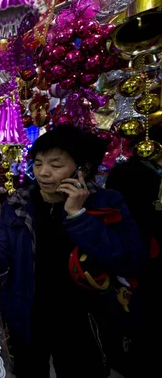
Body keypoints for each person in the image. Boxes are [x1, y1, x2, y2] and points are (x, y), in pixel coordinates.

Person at [0, 125, 146, 378]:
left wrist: (78, 215)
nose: (43, 173)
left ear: (83, 169)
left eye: (56, 165)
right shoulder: (19, 202)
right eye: (38, 163)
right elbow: (1, 249)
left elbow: (129, 258)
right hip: (27, 313)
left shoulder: (107, 203)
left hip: (83, 319)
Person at [105, 125, 162, 377]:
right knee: (133, 304)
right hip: (135, 247)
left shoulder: (135, 171)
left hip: (144, 246)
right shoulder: (129, 173)